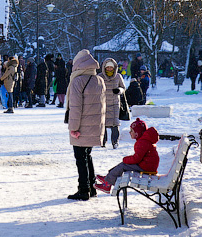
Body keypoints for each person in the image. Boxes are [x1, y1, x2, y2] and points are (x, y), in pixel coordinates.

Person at [66, 49, 106, 201]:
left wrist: (73, 128)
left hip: (82, 127)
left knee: (80, 158)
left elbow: (76, 108)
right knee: (87, 155)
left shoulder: (78, 81)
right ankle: (92, 186)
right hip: (94, 126)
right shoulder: (99, 79)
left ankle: (83, 189)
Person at [95, 119, 159, 193]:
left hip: (146, 167)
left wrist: (125, 159)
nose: (130, 132)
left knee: (123, 165)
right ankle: (108, 178)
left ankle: (107, 185)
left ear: (137, 133)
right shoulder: (143, 140)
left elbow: (136, 159)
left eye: (132, 131)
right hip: (147, 165)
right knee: (123, 165)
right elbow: (138, 157)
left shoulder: (142, 142)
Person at [100, 58, 126, 149]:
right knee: (103, 123)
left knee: (115, 124)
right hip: (103, 103)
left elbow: (123, 88)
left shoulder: (118, 76)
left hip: (115, 103)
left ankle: (115, 142)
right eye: (108, 67)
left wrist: (119, 90)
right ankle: (103, 141)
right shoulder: (100, 77)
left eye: (111, 67)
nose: (109, 69)